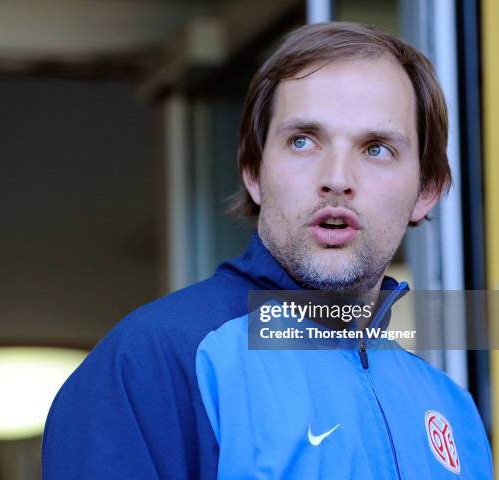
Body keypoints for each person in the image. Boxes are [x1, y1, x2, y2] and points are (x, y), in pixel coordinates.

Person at [41, 22, 492, 479]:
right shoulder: (152, 362)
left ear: (427, 190)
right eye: (302, 141)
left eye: (376, 149)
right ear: (253, 172)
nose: (337, 177)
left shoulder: (450, 407)